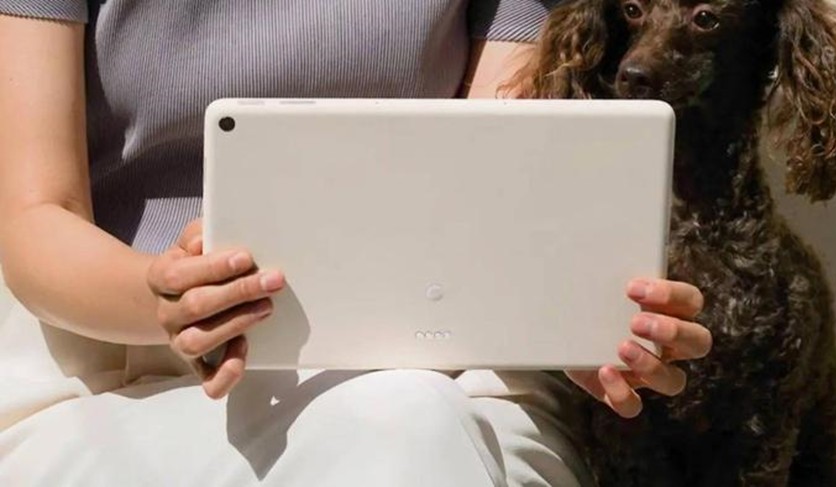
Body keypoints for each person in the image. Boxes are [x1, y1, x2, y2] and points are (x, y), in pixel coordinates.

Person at [0, 1, 712, 485]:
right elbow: (35, 215)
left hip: (436, 363)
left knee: (408, 421)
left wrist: (548, 315)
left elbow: (490, 175)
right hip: (114, 368)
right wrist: (168, 300)